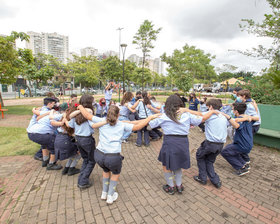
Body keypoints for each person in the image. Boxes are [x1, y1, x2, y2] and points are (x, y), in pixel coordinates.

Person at [76, 104, 161, 204]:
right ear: (118, 114)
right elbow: (138, 127)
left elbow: (87, 115)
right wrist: (150, 117)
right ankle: (110, 196)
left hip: (99, 155)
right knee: (115, 174)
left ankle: (104, 193)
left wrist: (80, 106)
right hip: (112, 157)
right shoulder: (121, 125)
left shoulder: (101, 121)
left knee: (106, 170)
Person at [149, 95, 218, 195]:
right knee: (178, 165)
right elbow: (201, 119)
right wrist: (189, 111)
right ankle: (179, 185)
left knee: (166, 165)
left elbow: (150, 125)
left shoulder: (164, 115)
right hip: (183, 142)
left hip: (170, 142)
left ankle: (171, 187)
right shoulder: (187, 115)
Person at [179, 99, 226, 189]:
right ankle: (216, 181)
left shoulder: (211, 114)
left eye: (208, 107)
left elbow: (200, 115)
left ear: (211, 107)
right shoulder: (222, 116)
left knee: (200, 156)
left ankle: (202, 177)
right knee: (209, 161)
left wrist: (186, 110)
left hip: (210, 143)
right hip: (220, 145)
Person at [65, 94, 99, 189]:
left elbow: (70, 125)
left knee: (85, 159)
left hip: (78, 139)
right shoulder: (88, 113)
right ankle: (83, 181)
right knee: (92, 160)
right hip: (87, 139)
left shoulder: (76, 113)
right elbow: (93, 126)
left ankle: (81, 179)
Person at [220, 103, 259, 176]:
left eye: (233, 110)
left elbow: (237, 126)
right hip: (245, 143)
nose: (232, 111)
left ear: (236, 111)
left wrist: (228, 117)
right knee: (230, 149)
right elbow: (257, 118)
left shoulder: (240, 119)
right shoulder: (247, 117)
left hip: (242, 144)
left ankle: (241, 167)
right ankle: (244, 164)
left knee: (224, 152)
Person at [27, 98, 63, 170]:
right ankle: (51, 164)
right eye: (53, 104)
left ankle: (45, 160)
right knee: (54, 146)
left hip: (31, 132)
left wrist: (34, 110)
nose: (54, 105)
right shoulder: (56, 114)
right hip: (41, 133)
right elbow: (55, 122)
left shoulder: (45, 111)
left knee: (44, 144)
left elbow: (38, 117)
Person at [54, 103, 81, 176]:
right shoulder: (73, 118)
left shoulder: (64, 115)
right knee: (78, 153)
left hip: (59, 138)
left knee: (73, 154)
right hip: (65, 139)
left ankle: (66, 168)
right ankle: (71, 169)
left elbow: (51, 118)